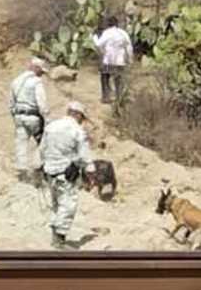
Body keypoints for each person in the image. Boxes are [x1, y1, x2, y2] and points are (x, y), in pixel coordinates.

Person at [39, 101, 96, 249]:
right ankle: (59, 240)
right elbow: (84, 157)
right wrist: (90, 173)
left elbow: (41, 150)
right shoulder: (77, 131)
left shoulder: (51, 126)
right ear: (78, 115)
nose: (82, 121)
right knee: (68, 205)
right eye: (82, 118)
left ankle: (54, 236)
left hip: (49, 172)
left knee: (56, 206)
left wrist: (41, 167)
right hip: (66, 174)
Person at [8, 57, 50, 183]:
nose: (41, 75)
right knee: (43, 142)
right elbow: (42, 103)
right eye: (41, 72)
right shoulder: (36, 82)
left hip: (19, 116)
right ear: (36, 68)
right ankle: (38, 167)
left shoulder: (16, 81)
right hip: (33, 117)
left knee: (21, 144)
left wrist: (15, 116)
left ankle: (22, 172)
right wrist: (47, 120)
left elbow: (11, 103)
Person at [91, 15, 133, 104]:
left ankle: (106, 97)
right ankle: (119, 97)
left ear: (108, 24)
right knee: (118, 79)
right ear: (117, 24)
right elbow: (129, 46)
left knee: (105, 77)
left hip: (109, 60)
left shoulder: (107, 33)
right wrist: (129, 58)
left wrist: (94, 37)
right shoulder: (123, 33)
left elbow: (98, 44)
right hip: (120, 60)